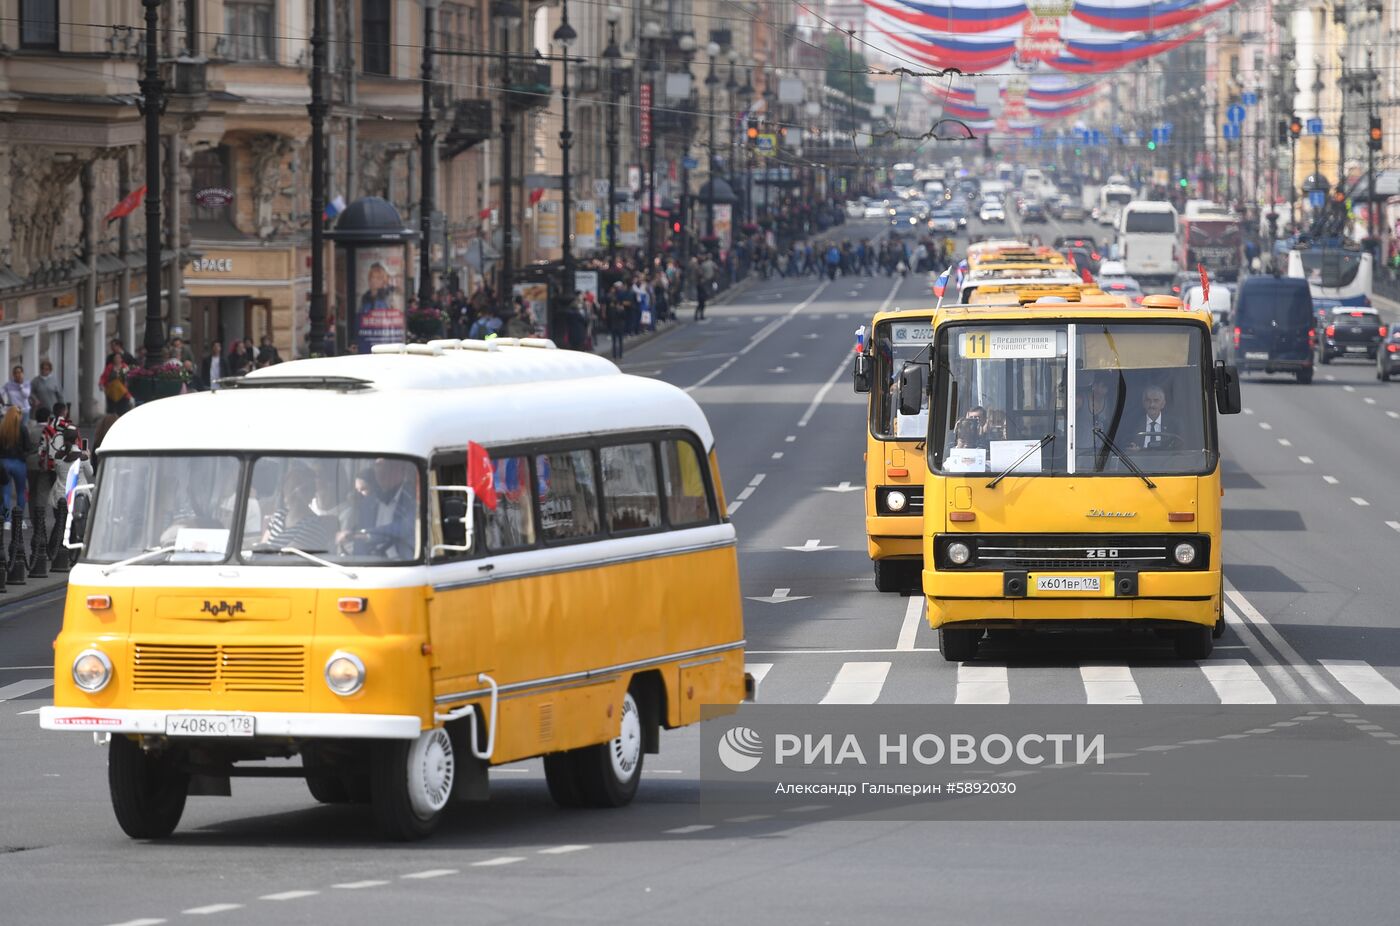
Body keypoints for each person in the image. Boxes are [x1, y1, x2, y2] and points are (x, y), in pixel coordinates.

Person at [338, 458, 417, 559]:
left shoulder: (413, 498)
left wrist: (366, 535)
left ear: (400, 469)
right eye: (377, 466)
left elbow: (404, 527)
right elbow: (360, 546)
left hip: (404, 565)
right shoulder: (368, 502)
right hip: (372, 565)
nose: (380, 471)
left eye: (386, 466)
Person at [1129, 384, 1171, 450]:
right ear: (1143, 403)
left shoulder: (1174, 425)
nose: (1151, 405)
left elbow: (1179, 451)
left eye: (1156, 401)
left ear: (1163, 404)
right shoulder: (1132, 425)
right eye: (1148, 400)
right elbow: (1126, 448)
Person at [606, 283, 628, 359]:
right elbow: (624, 317)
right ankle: (620, 354)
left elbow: (610, 317)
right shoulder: (621, 310)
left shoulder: (612, 310)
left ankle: (614, 355)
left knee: (614, 342)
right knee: (620, 341)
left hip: (614, 326)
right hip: (620, 326)